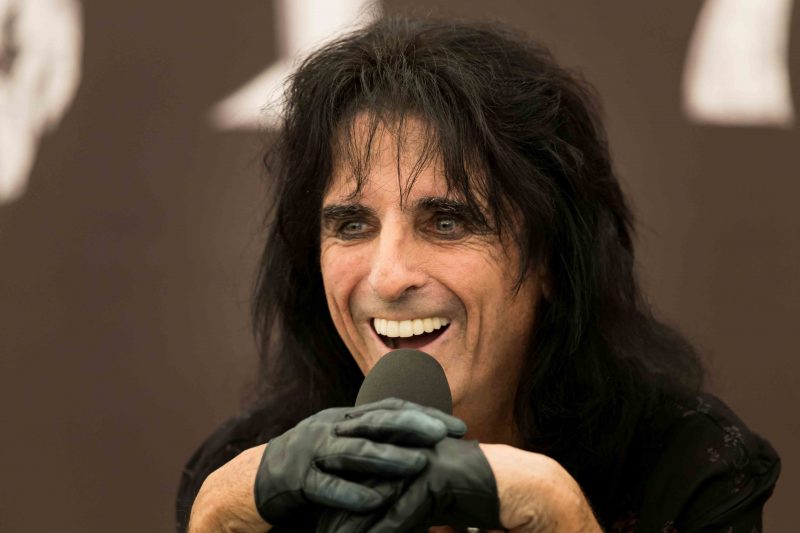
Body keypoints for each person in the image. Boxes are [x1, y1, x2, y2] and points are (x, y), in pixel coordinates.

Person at [177, 16, 780, 532]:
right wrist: (214, 519)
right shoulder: (246, 478)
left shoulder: (683, 471)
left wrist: (559, 514)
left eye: (446, 222)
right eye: (353, 225)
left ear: (550, 258)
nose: (388, 278)